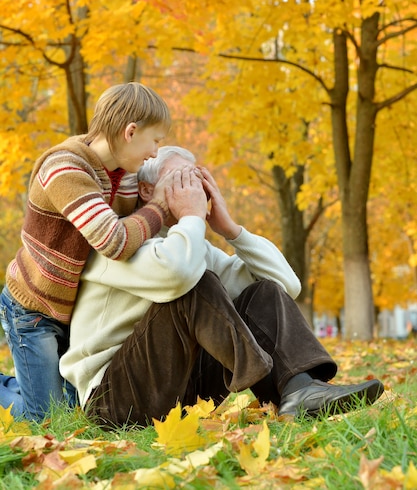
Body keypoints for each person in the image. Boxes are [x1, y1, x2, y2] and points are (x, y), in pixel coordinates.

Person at [60, 146, 384, 428]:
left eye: (197, 178)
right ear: (146, 190)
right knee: (192, 284)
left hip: (178, 396)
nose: (194, 189)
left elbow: (285, 284)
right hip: (112, 402)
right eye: (181, 180)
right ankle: (267, 377)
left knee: (262, 292)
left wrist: (231, 229)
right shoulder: (114, 240)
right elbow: (178, 274)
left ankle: (300, 390)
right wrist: (192, 218)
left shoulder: (187, 247)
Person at [0, 82, 172, 420]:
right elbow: (115, 241)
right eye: (155, 141)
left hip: (74, 312)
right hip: (34, 310)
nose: (154, 152)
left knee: (73, 409)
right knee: (46, 419)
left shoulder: (123, 175)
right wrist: (162, 209)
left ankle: (24, 386)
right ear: (130, 131)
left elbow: (143, 231)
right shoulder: (65, 168)